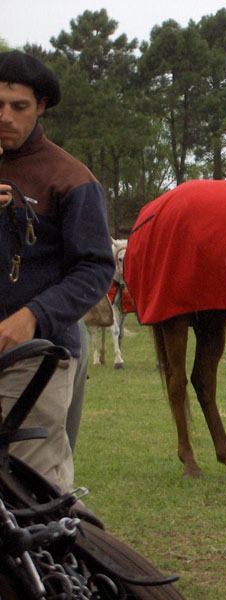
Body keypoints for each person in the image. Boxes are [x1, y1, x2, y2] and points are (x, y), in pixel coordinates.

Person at [0, 51, 115, 493]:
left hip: (35, 354)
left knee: (33, 491)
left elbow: (94, 269)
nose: (5, 117)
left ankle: (64, 563)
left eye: (19, 106)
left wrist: (31, 316)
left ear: (41, 106)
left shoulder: (70, 179)